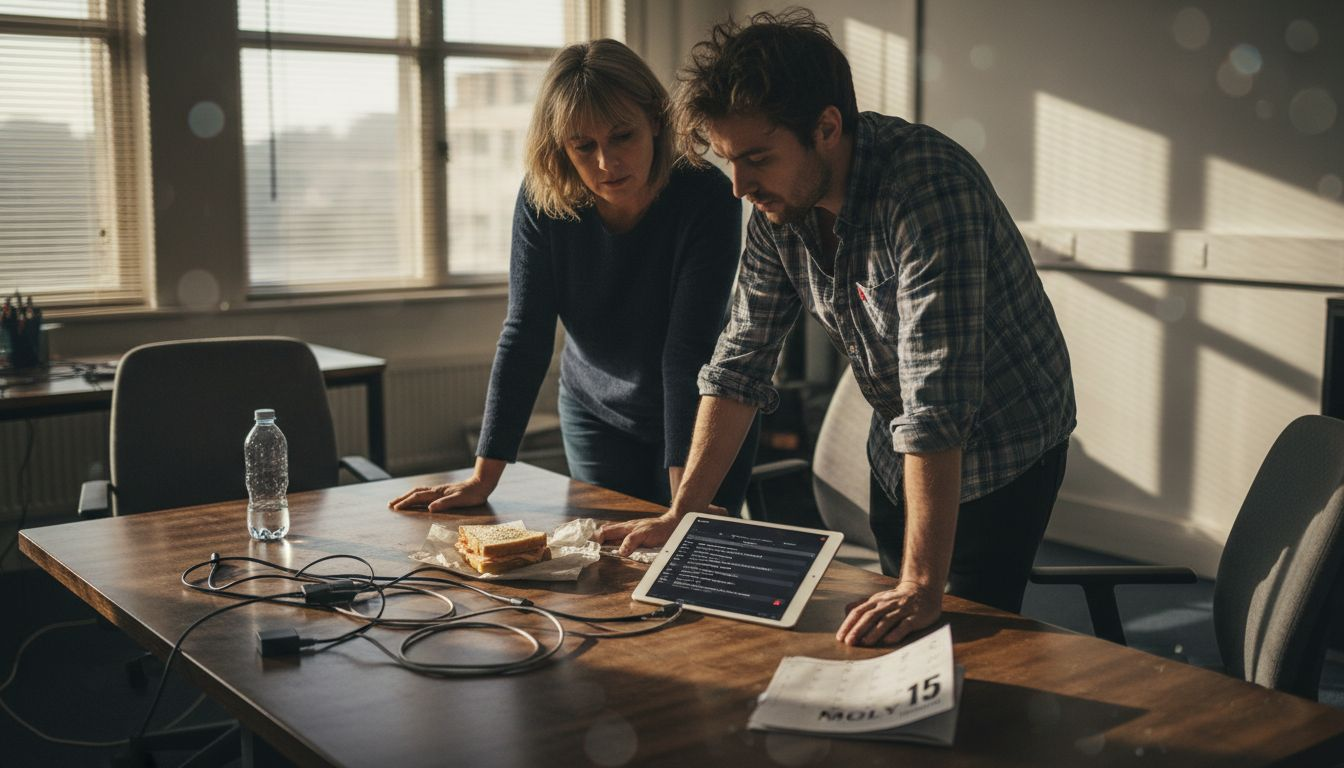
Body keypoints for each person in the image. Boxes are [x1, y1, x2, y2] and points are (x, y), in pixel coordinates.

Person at [600, 10, 1075, 648]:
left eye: (758, 158)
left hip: (1003, 443)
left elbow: (937, 404)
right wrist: (684, 510)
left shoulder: (930, 193)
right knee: (889, 630)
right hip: (898, 444)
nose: (739, 187)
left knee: (966, 642)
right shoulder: (779, 202)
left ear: (826, 128)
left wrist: (922, 583)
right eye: (729, 161)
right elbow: (739, 361)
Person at [390, 39, 757, 517]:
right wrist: (483, 479)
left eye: (623, 136)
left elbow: (686, 349)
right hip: (595, 412)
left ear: (656, 119)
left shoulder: (706, 194)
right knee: (605, 567)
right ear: (561, 148)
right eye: (584, 146)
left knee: (693, 559)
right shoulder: (544, 201)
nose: (606, 163)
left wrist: (681, 504)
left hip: (702, 412)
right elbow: (525, 335)